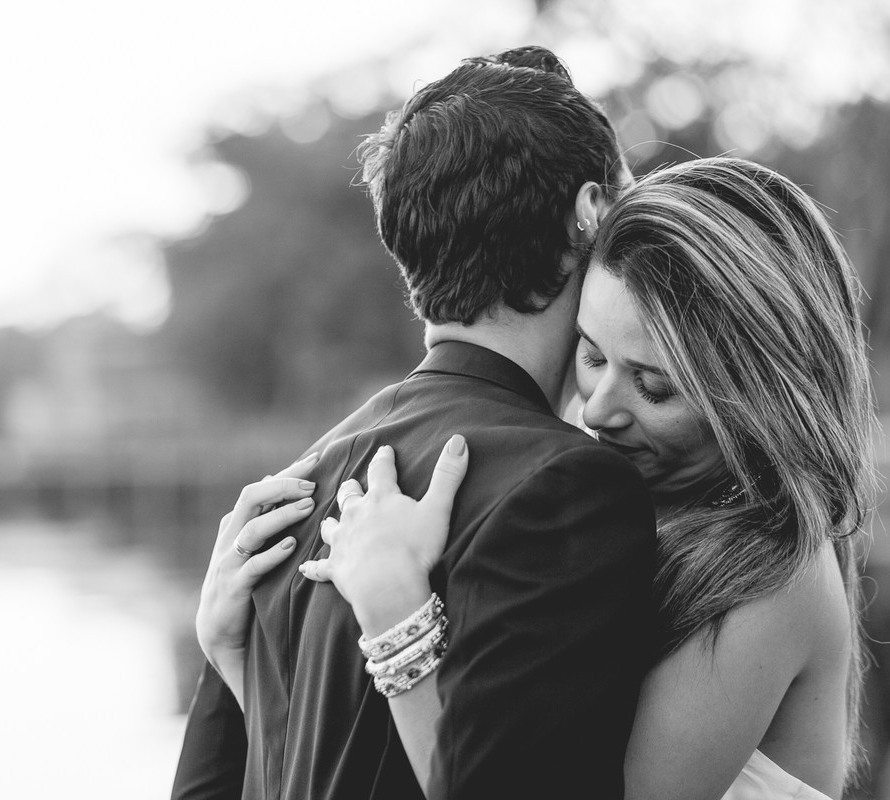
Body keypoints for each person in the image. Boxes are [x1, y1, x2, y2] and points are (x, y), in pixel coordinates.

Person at [226, 157, 876, 800]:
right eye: (591, 355)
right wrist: (236, 659)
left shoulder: (775, 575)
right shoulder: (614, 520)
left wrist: (396, 613)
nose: (598, 409)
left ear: (759, 397)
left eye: (653, 386)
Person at [172, 47, 658, 800]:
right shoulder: (569, 488)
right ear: (591, 212)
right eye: (630, 198)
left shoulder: (298, 488)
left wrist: (225, 666)